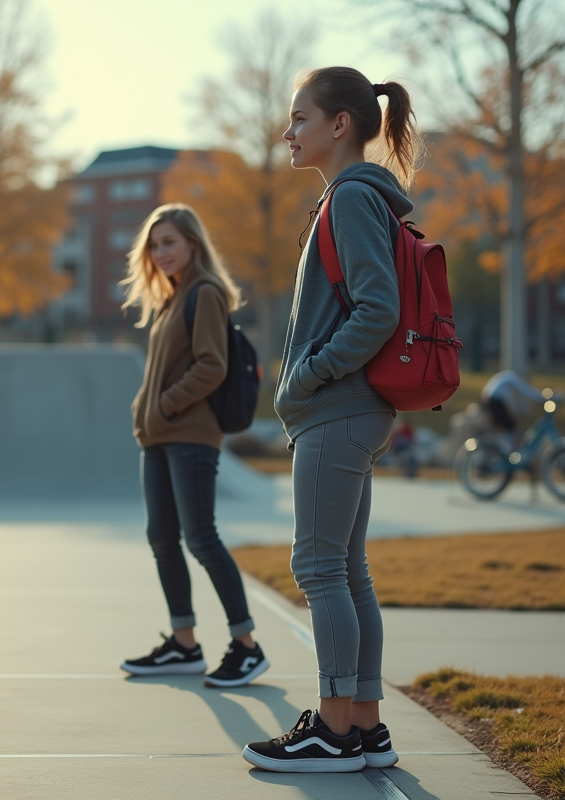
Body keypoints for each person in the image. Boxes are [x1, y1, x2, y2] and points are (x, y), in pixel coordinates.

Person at [242, 67, 426, 774]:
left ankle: (332, 730)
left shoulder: (350, 197)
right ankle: (366, 728)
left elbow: (378, 309)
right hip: (353, 410)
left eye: (300, 118)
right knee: (348, 571)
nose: (287, 132)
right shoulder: (354, 197)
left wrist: (311, 371)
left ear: (339, 124)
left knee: (319, 567)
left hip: (337, 408)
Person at [119, 203, 270, 689]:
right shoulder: (171, 298)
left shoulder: (204, 293)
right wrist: (145, 409)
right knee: (162, 538)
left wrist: (163, 405)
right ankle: (184, 644)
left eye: (169, 242)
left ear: (193, 244)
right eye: (154, 245)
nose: (160, 252)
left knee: (201, 538)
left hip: (191, 434)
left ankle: (247, 646)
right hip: (159, 436)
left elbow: (212, 365)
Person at [481, 369, 548, 450]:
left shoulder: (505, 376)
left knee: (510, 425)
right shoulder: (511, 377)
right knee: (510, 427)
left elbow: (505, 401)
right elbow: (525, 389)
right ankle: (505, 451)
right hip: (494, 403)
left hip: (490, 403)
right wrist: (543, 397)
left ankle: (505, 449)